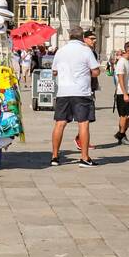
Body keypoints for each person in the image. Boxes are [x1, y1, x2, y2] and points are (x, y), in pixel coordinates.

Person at [50, 25, 100, 168]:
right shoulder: (86, 51)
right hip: (81, 92)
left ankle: (54, 157)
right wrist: (86, 73)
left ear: (70, 36)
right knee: (83, 123)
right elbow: (95, 72)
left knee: (60, 123)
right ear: (81, 37)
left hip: (63, 92)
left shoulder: (60, 51)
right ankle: (84, 158)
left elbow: (54, 72)